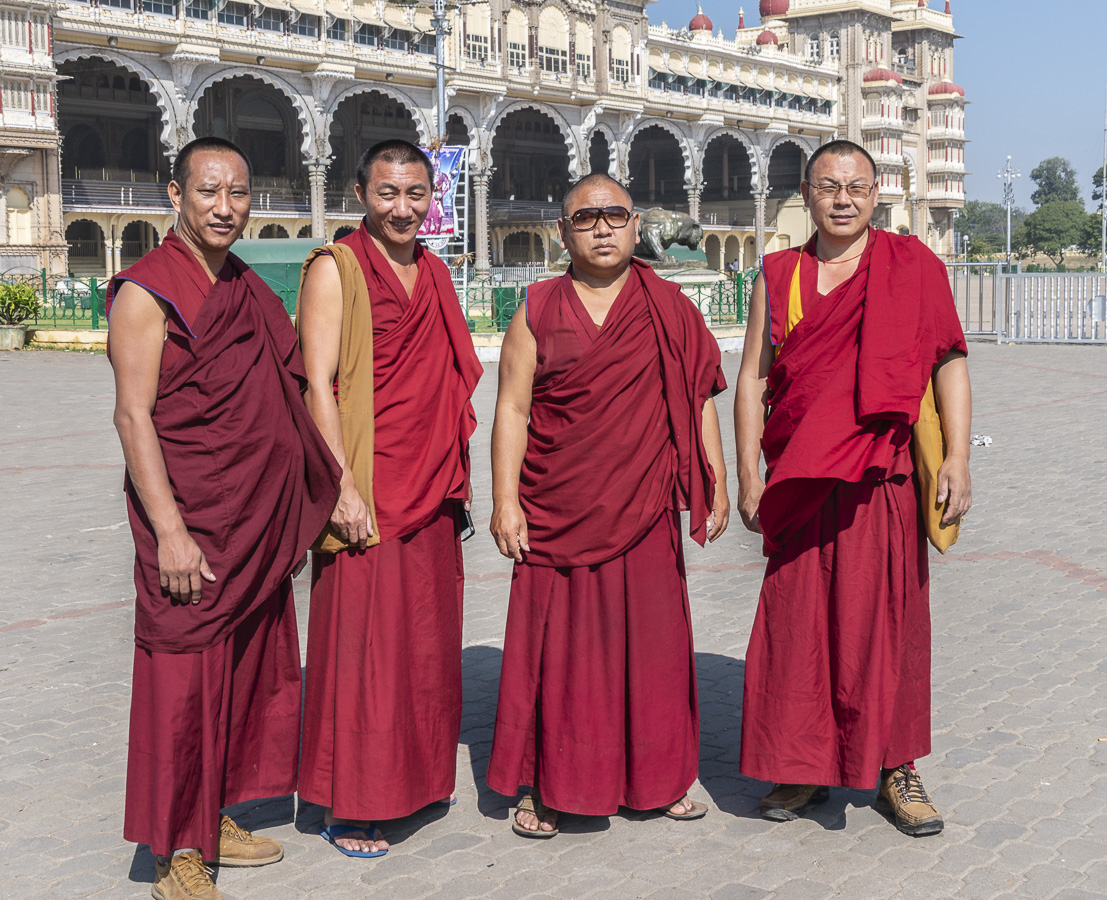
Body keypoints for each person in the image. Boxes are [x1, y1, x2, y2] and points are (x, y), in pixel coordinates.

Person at [107, 136, 341, 900]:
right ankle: (174, 847)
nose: (223, 206)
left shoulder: (243, 285)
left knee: (245, 674)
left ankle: (215, 818)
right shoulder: (148, 291)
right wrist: (170, 530)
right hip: (193, 519)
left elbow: (287, 386)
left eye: (237, 192)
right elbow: (134, 417)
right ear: (173, 195)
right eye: (207, 191)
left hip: (251, 521)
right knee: (182, 682)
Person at [734, 140, 972, 836]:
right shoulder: (778, 275)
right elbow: (753, 376)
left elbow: (947, 361)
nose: (843, 199)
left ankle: (895, 768)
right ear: (806, 194)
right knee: (797, 624)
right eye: (829, 186)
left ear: (876, 195)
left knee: (889, 624)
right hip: (802, 480)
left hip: (881, 477)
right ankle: (802, 765)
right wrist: (748, 471)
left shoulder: (911, 266)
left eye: (857, 187)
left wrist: (957, 458)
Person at [486, 173, 730, 838]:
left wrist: (716, 477)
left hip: (644, 505)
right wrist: (505, 501)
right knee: (556, 653)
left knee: (652, 649)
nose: (601, 227)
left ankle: (656, 777)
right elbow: (510, 407)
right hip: (557, 503)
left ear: (634, 227)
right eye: (585, 218)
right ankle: (544, 783)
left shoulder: (669, 306)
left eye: (614, 215)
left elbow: (698, 394)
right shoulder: (537, 307)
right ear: (562, 232)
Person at [296, 139, 482, 857]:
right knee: (363, 648)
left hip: (429, 489)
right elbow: (318, 385)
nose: (402, 208)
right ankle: (351, 801)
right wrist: (340, 487)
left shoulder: (432, 271)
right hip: (368, 489)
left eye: (415, 194)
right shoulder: (334, 268)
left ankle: (415, 779)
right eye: (386, 194)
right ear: (359, 194)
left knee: (423, 646)